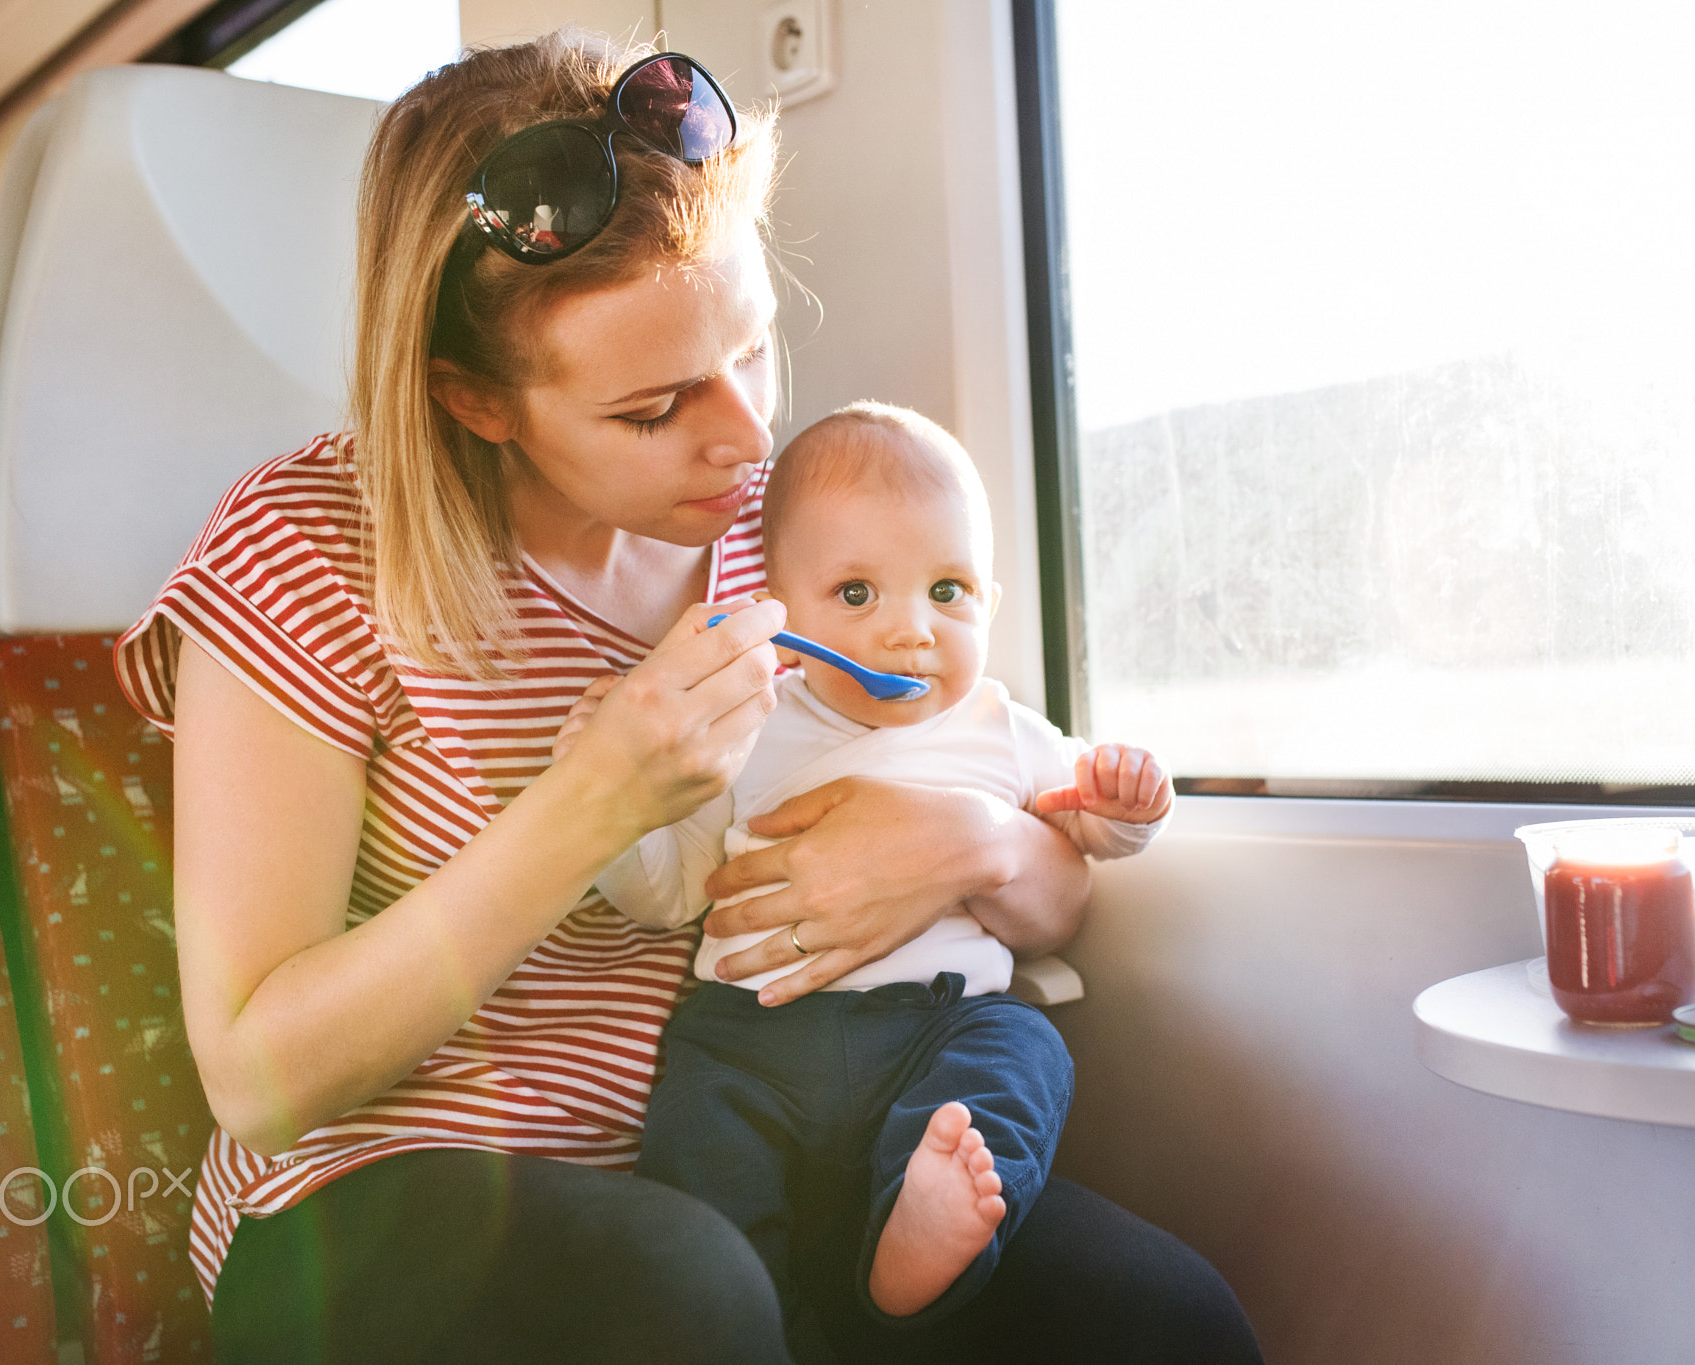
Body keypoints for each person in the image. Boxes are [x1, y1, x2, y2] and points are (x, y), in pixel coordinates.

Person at [114, 30, 1260, 1365]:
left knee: (1161, 1321)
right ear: (477, 400)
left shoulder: (770, 534)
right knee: (693, 1295)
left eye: (756, 350)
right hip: (378, 1196)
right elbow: (258, 1077)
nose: (746, 439)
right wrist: (590, 806)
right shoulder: (306, 551)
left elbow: (1030, 857)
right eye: (655, 409)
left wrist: (975, 840)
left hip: (739, 1137)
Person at [582, 401, 1173, 1345]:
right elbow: (668, 891)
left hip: (938, 1026)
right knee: (699, 1130)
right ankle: (749, 1303)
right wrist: (607, 811)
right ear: (782, 605)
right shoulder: (748, 728)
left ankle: (924, 1228)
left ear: (990, 599)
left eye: (948, 591)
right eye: (857, 594)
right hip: (753, 1035)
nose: (910, 632)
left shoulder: (1003, 730)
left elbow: (1089, 832)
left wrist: (1127, 804)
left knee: (1026, 1050)